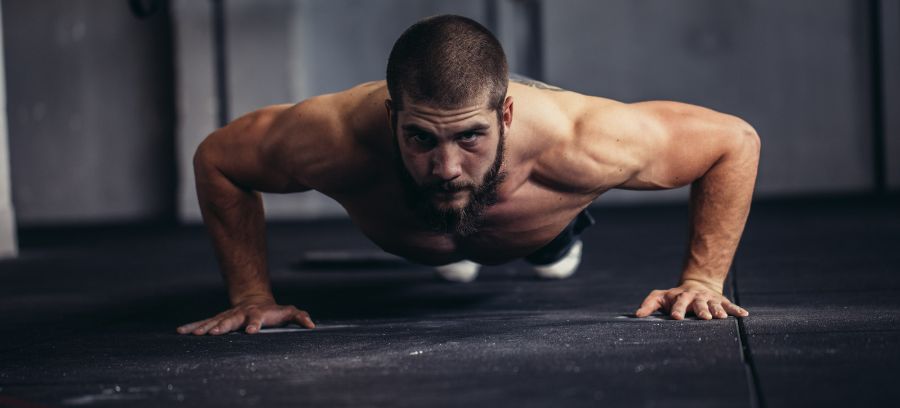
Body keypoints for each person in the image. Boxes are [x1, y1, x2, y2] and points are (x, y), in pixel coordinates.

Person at [177, 14, 759, 336]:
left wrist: (703, 281)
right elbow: (218, 160)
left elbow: (734, 141)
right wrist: (251, 294)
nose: (447, 164)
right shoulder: (330, 136)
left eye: (470, 137)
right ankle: (451, 235)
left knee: (550, 252)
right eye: (421, 138)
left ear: (505, 116)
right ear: (392, 117)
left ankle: (555, 240)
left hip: (540, 215)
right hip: (416, 226)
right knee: (444, 214)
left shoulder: (583, 138)